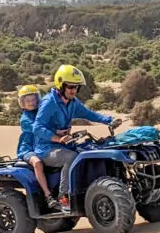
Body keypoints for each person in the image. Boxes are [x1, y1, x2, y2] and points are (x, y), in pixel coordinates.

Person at [33, 64, 114, 212]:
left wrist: (109, 120)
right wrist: (57, 138)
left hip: (64, 144)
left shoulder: (73, 103)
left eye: (76, 87)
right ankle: (63, 197)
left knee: (90, 150)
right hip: (46, 148)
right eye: (70, 87)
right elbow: (37, 128)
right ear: (61, 85)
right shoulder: (49, 102)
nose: (73, 90)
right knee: (70, 158)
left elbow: (90, 114)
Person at [15, 84, 60, 211]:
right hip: (28, 149)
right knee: (38, 163)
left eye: (33, 99)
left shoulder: (41, 112)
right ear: (22, 103)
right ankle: (48, 195)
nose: (31, 103)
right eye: (27, 101)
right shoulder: (25, 119)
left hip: (42, 146)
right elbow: (40, 130)